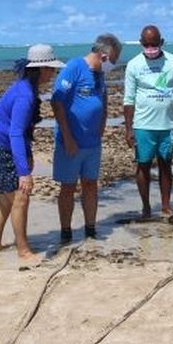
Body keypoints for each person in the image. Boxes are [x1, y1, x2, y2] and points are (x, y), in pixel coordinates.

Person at [0, 44, 64, 265]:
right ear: (41, 69)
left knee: (6, 200)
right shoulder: (25, 95)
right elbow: (15, 132)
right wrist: (24, 172)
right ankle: (23, 250)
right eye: (52, 69)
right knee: (20, 197)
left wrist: (27, 154)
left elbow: (22, 131)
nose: (53, 73)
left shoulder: (26, 88)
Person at [51, 33, 123, 242]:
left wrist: (101, 126)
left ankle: (90, 229)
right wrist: (68, 137)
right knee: (68, 186)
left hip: (93, 143)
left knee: (91, 184)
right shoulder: (74, 67)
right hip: (71, 143)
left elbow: (104, 100)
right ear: (103, 56)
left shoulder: (100, 74)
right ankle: (66, 231)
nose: (114, 64)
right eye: (114, 60)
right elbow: (57, 102)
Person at [123, 25, 173, 218]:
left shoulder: (172, 61)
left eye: (154, 44)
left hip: (167, 125)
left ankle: (166, 205)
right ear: (141, 43)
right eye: (146, 44)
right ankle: (146, 206)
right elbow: (129, 98)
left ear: (161, 42)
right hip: (143, 126)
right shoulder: (134, 65)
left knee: (165, 164)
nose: (150, 47)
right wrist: (128, 129)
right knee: (143, 165)